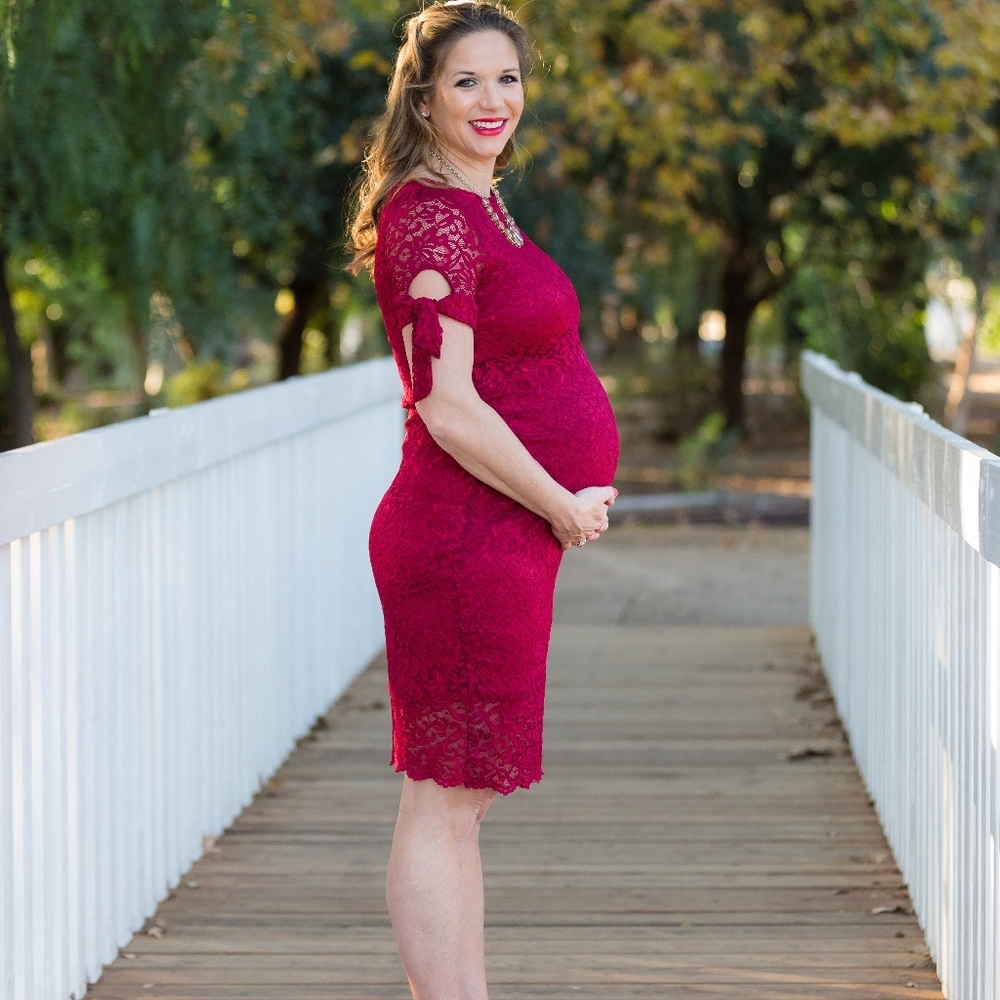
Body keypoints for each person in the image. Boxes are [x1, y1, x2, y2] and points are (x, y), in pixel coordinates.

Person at [346, 2, 619, 997]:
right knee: (443, 803)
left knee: (460, 802)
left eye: (506, 78)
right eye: (467, 81)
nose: (492, 99)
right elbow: (447, 404)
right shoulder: (430, 215)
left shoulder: (479, 203)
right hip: (464, 538)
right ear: (424, 97)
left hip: (495, 537)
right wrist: (557, 499)